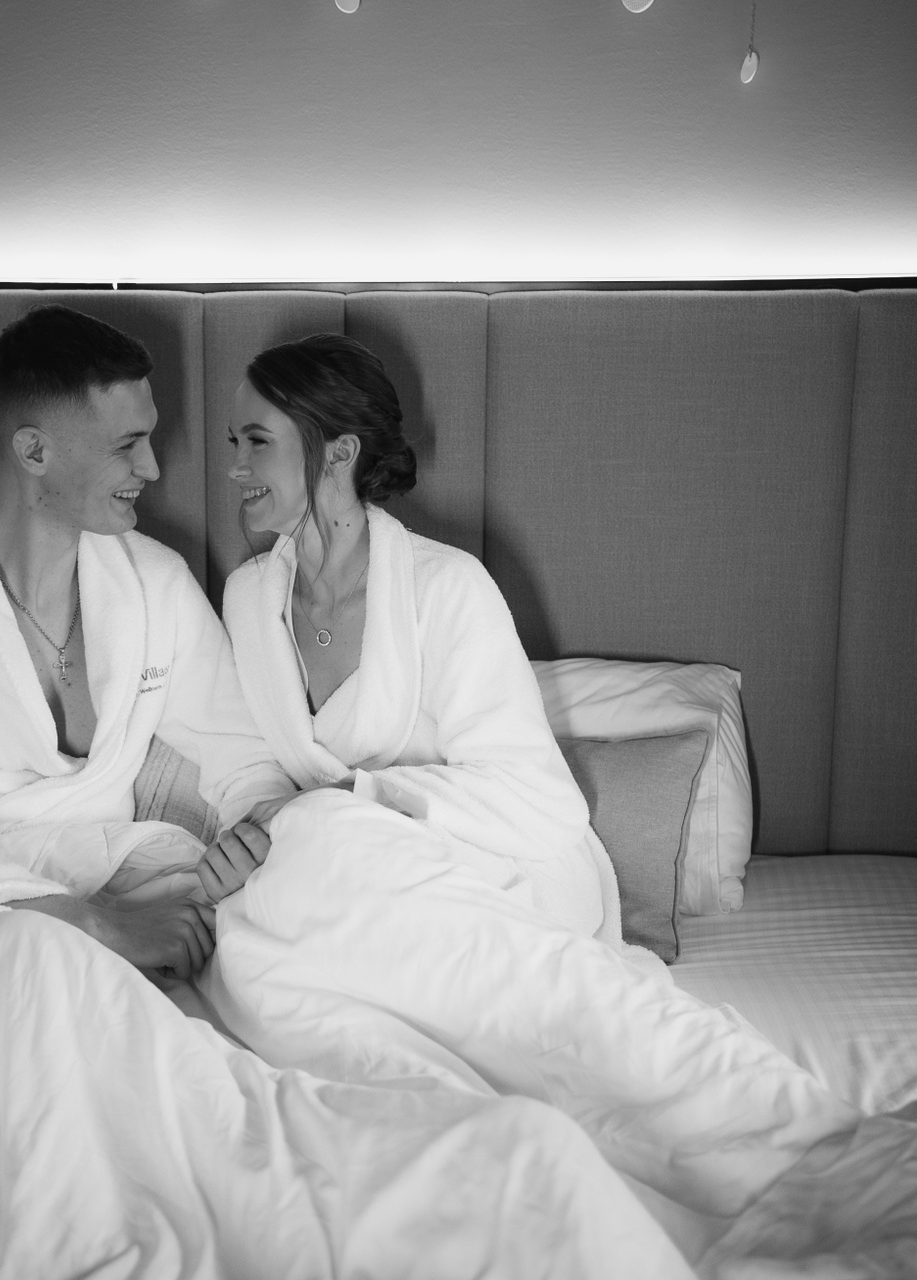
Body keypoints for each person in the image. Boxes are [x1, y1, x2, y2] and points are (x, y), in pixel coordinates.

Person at [0, 307, 692, 1280]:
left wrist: (257, 845)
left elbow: (246, 763)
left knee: (212, 1085)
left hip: (128, 903)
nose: (159, 470)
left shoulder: (153, 585)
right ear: (34, 450)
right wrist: (85, 921)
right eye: (131, 444)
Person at [202, 333, 862, 1231]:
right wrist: (257, 830)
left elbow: (540, 802)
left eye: (255, 441)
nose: (232, 466)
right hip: (346, 886)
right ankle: (462, 1148)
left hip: (507, 866)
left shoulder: (448, 589)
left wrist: (354, 805)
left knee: (322, 865)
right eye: (232, 442)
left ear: (338, 451)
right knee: (254, 935)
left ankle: (775, 1147)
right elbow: (255, 772)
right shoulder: (247, 599)